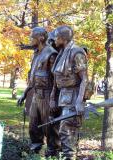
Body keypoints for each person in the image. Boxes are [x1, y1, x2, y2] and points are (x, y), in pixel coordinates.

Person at [17, 27, 61, 157]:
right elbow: (33, 78)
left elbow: (56, 81)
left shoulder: (51, 54)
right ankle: (35, 152)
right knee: (33, 126)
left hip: (47, 96)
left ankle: (53, 153)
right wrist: (25, 93)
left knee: (49, 128)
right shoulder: (36, 54)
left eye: (32, 37)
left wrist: (53, 99)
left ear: (41, 38)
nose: (30, 39)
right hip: (36, 94)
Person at [50, 26, 88, 160]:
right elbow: (56, 78)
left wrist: (79, 102)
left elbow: (84, 79)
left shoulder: (76, 52)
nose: (54, 39)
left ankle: (69, 157)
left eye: (56, 36)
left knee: (66, 130)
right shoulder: (62, 52)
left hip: (74, 96)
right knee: (61, 131)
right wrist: (52, 98)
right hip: (63, 96)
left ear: (63, 38)